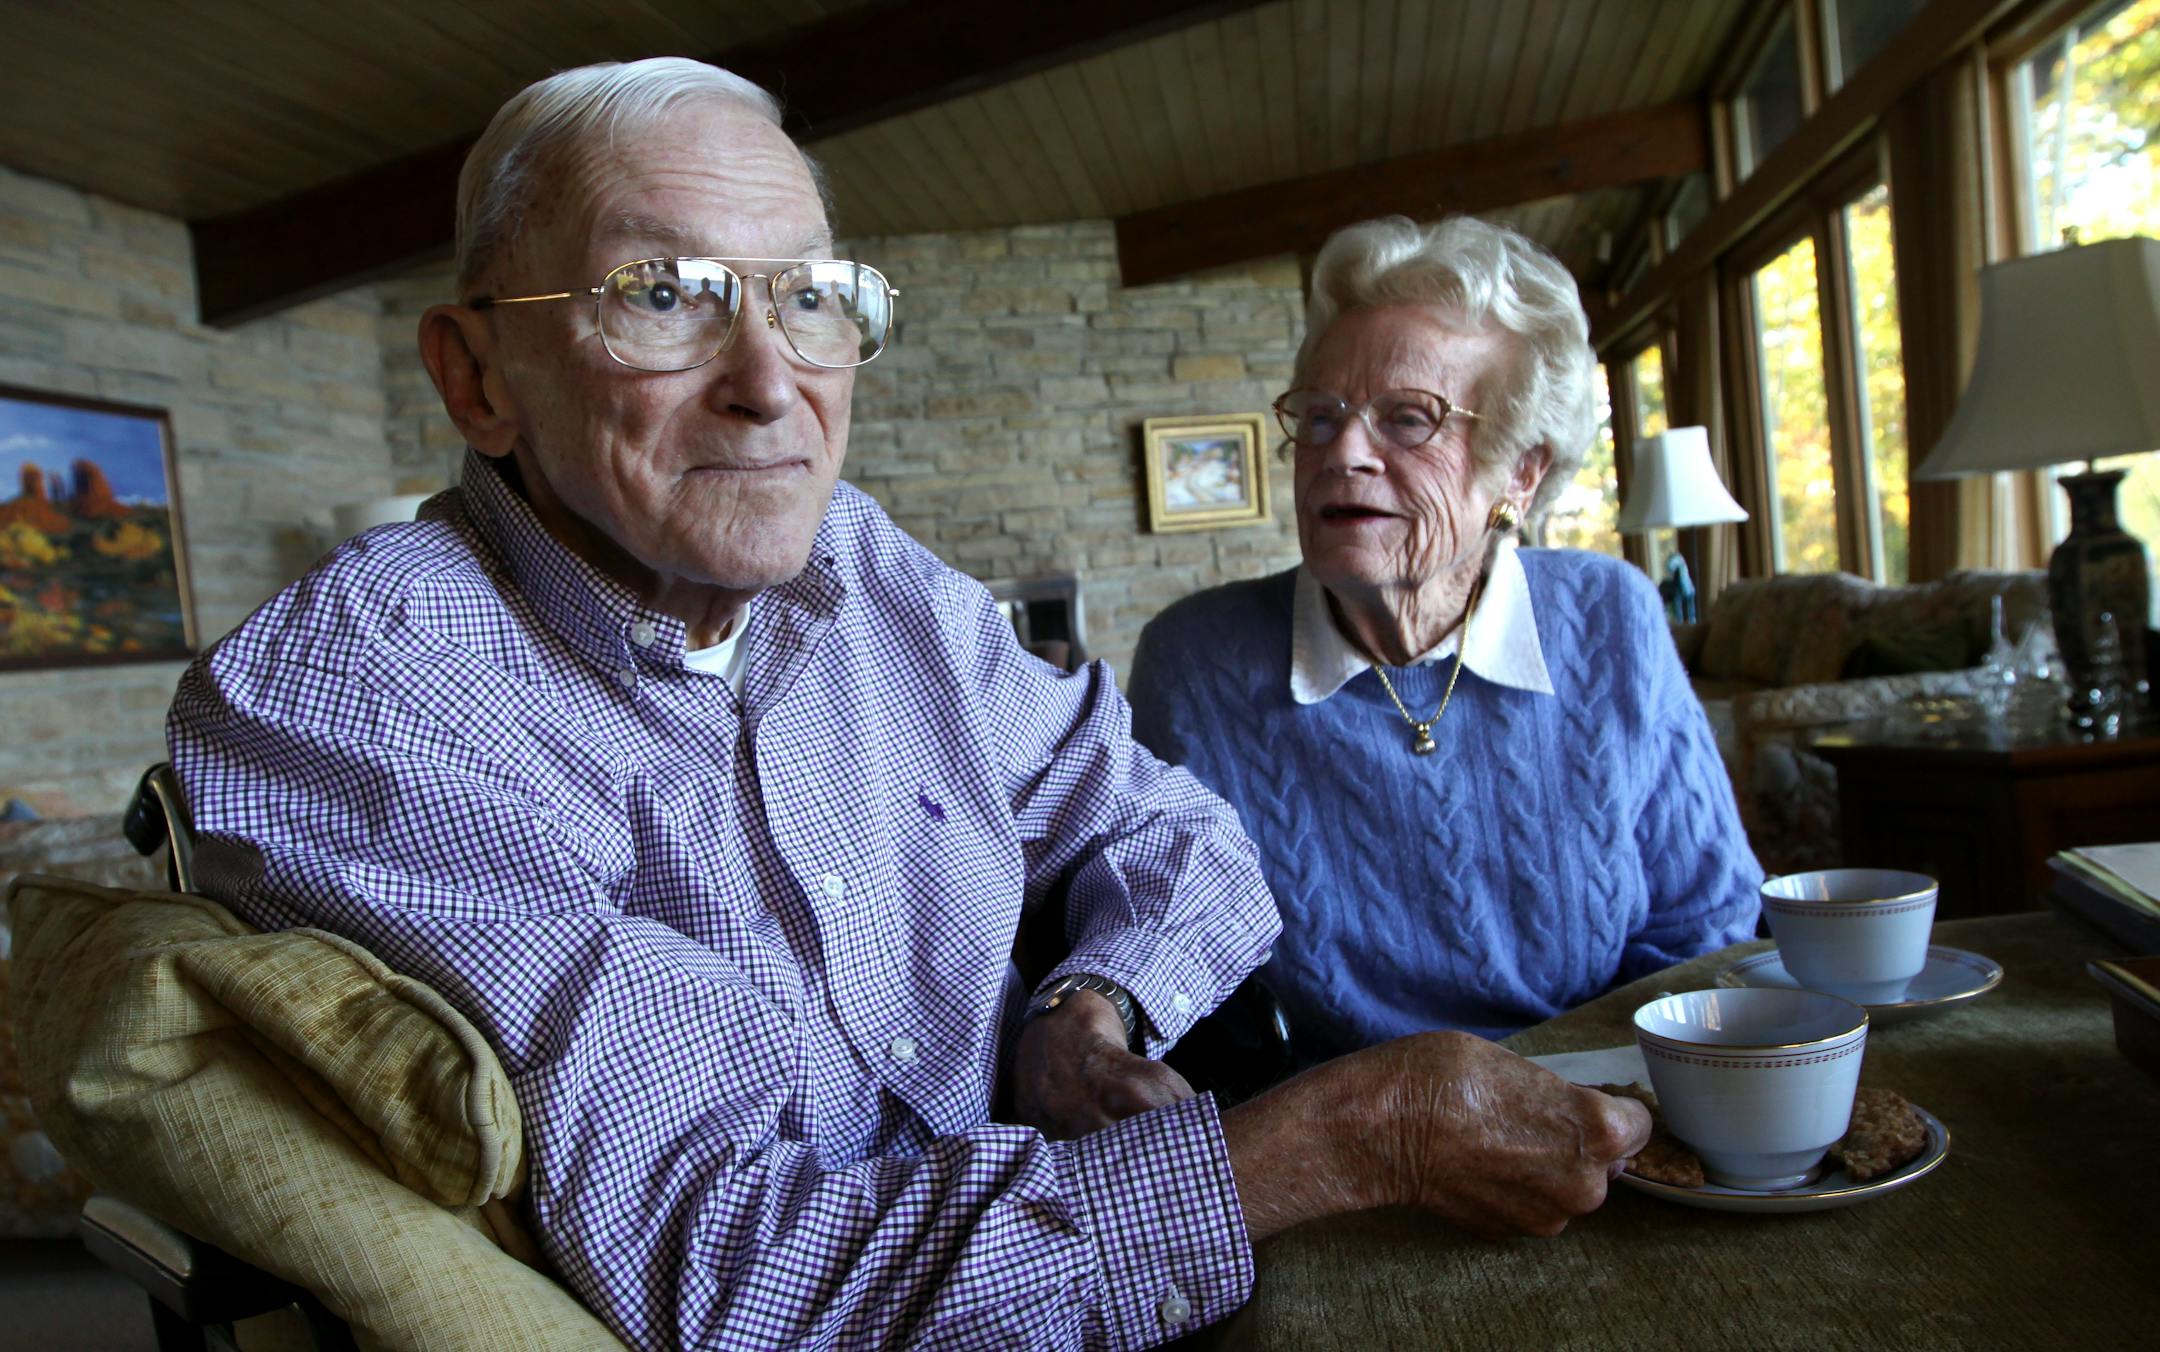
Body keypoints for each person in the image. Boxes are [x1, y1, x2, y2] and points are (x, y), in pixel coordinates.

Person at [166, 63, 1652, 1351]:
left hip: (1104, 1270)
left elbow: (1169, 827)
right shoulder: (368, 693)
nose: (769, 380)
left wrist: (1087, 1004)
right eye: (664, 296)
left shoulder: (865, 572)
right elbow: (741, 1283)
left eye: (811, 300)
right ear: (477, 377)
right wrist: (1338, 1141)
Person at [1129, 215, 1762, 1067]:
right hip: (1342, 1138)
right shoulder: (1195, 661)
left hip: (1607, 1098)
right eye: (1319, 416)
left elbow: (1707, 925)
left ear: (1520, 471)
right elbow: (1166, 958)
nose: (1341, 451)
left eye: (1408, 419)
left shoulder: (1609, 618)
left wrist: (1580, 1094)